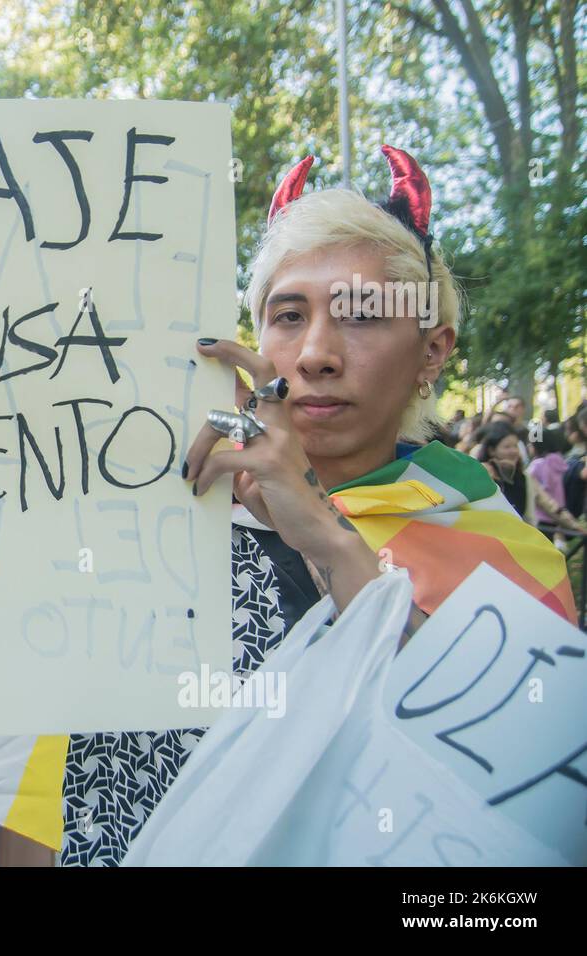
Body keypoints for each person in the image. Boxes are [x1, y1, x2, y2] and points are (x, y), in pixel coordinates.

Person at [53, 147, 576, 865]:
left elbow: (533, 794)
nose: (318, 353)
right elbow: (58, 769)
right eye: (289, 314)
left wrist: (330, 545)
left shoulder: (495, 545)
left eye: (363, 316)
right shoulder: (159, 512)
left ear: (432, 352)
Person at [476, 421, 583, 531]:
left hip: (518, 537)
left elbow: (549, 504)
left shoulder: (524, 477)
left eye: (515, 446)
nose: (513, 451)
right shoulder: (481, 474)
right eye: (507, 447)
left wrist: (575, 526)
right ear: (491, 450)